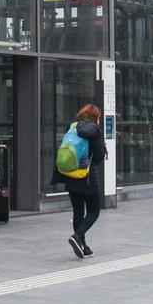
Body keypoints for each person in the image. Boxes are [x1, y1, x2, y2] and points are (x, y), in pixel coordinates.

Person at [52, 103, 107, 258]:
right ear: (95, 116)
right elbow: (98, 156)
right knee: (94, 212)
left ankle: (83, 246)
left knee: (78, 212)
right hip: (88, 177)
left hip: (70, 175)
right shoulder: (94, 130)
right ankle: (77, 236)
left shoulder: (73, 127)